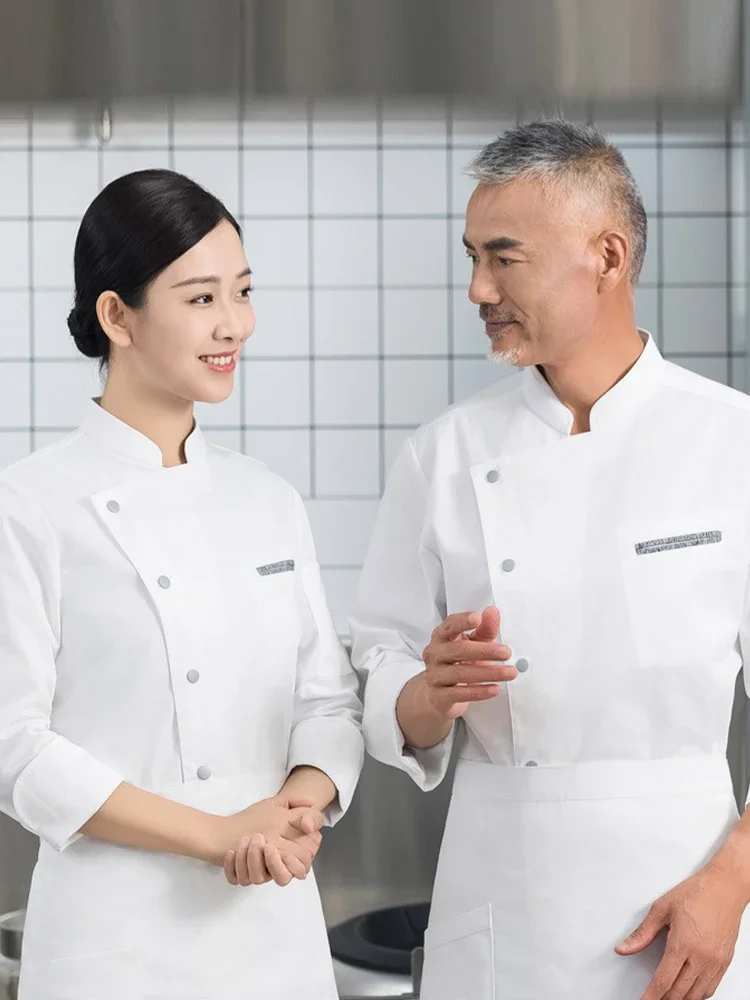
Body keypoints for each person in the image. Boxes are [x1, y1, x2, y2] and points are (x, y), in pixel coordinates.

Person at [350, 120, 750, 1000]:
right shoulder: (443, 455)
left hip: (691, 905)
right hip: (502, 906)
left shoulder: (734, 443)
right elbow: (379, 662)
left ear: (607, 257)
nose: (476, 288)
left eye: (503, 258)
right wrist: (427, 693)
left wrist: (729, 887)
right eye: (471, 257)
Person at [0, 168, 363, 1000]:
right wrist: (213, 835)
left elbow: (327, 703)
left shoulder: (268, 498)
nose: (232, 324)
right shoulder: (28, 505)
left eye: (242, 291)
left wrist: (301, 807)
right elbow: (14, 746)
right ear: (115, 315)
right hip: (116, 936)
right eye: (200, 299)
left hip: (273, 921)